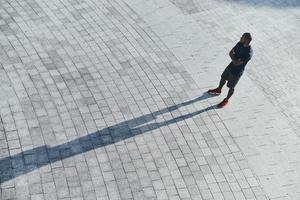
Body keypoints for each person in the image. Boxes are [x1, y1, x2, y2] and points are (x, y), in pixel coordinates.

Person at [208, 33, 253, 108]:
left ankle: (226, 100)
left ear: (246, 40)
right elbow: (230, 52)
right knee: (223, 77)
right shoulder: (239, 44)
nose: (240, 37)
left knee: (231, 87)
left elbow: (236, 63)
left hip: (237, 72)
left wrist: (233, 57)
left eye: (242, 37)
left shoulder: (248, 54)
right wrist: (234, 58)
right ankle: (219, 89)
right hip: (230, 66)